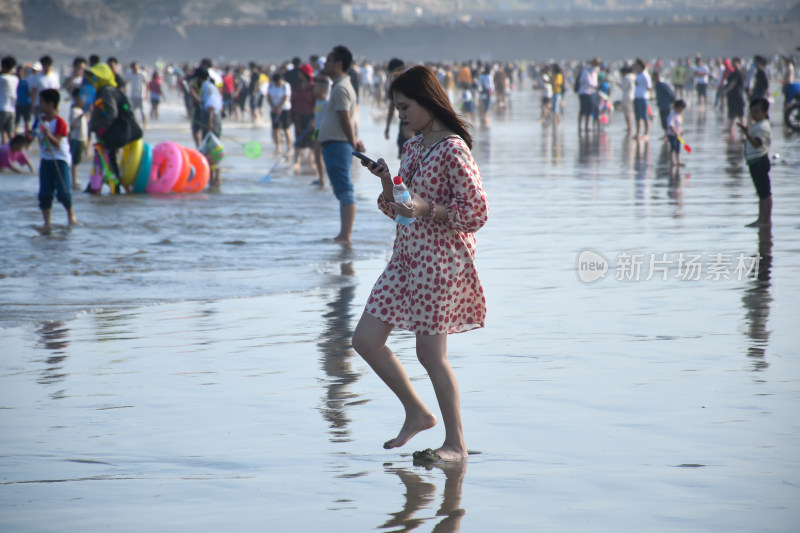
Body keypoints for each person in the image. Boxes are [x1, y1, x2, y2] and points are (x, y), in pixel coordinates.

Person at [352, 65, 488, 463]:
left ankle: (456, 445)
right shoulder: (413, 147)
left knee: (431, 355)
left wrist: (429, 208)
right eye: (396, 109)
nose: (401, 115)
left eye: (406, 106)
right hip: (405, 259)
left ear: (428, 101)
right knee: (365, 340)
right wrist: (384, 181)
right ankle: (416, 412)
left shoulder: (453, 149)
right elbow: (402, 210)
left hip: (440, 263)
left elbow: (477, 211)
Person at [317, 45, 365, 244]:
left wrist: (352, 141)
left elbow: (345, 118)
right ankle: (344, 233)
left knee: (345, 190)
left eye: (328, 60)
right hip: (335, 144)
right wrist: (353, 138)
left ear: (338, 64)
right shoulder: (340, 86)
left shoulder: (341, 87)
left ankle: (346, 235)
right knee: (342, 190)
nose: (325, 64)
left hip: (338, 145)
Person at [34, 89, 77, 229]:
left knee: (63, 193)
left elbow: (57, 142)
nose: (39, 105)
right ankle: (47, 223)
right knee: (44, 194)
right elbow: (35, 136)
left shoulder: (60, 122)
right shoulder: (40, 121)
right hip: (46, 160)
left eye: (41, 102)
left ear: (51, 104)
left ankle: (71, 216)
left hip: (60, 160)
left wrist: (48, 134)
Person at [737, 98, 772, 228]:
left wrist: (746, 133)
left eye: (757, 112)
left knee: (764, 193)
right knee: (761, 192)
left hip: (759, 161)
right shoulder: (758, 125)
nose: (754, 115)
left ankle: (765, 220)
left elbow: (757, 144)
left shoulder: (762, 127)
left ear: (765, 112)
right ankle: (761, 218)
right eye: (752, 112)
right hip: (755, 161)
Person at [196, 67, 223, 187]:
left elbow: (211, 104)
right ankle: (212, 177)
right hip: (209, 118)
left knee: (213, 149)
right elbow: (203, 103)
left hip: (211, 119)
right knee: (209, 149)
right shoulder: (206, 86)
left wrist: (210, 122)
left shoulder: (208, 86)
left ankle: (216, 178)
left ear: (200, 78)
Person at [290, 64, 315, 172]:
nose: (299, 74)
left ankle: (312, 161)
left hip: (310, 117)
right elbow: (293, 102)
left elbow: (316, 103)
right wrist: (291, 116)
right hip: (298, 117)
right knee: (298, 141)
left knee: (312, 141)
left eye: (301, 72)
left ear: (305, 74)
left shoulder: (312, 87)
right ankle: (296, 162)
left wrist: (315, 119)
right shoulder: (296, 86)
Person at [311, 74, 330, 187]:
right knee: (316, 155)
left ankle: (324, 178)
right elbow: (317, 116)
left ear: (323, 89)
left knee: (324, 156)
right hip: (316, 131)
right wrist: (312, 122)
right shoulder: (317, 102)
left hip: (323, 132)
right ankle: (321, 178)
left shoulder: (326, 103)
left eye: (316, 87)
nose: (313, 89)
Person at [68, 88, 89, 188]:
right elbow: (72, 126)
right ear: (75, 98)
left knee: (78, 160)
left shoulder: (81, 111)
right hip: (76, 139)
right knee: (75, 160)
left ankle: (75, 179)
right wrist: (79, 117)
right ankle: (74, 180)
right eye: (81, 98)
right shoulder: (74, 110)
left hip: (82, 139)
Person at [268, 72, 292, 153]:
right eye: (277, 82)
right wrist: (274, 107)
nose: (279, 83)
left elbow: (286, 97)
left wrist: (278, 107)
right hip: (274, 110)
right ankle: (278, 146)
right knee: (276, 128)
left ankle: (289, 146)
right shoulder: (271, 85)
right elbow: (268, 97)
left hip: (284, 109)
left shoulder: (285, 85)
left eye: (280, 81)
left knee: (286, 128)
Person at [724, 57, 746, 138]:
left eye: (735, 64)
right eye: (733, 64)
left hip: (737, 95)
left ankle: (743, 129)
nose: (734, 65)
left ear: (739, 64)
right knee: (732, 113)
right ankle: (729, 128)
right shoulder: (734, 73)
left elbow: (732, 84)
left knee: (740, 114)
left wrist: (725, 92)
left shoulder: (738, 73)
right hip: (733, 96)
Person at [577, 58, 599, 134]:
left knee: (589, 111)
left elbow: (595, 83)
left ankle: (587, 127)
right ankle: (580, 127)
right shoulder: (586, 72)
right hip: (584, 93)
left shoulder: (595, 72)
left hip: (591, 93)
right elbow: (589, 82)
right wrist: (597, 86)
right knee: (583, 110)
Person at [0, 55, 18, 144]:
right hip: (12, 110)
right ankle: (15, 151)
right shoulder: (15, 79)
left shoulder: (3, 79)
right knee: (9, 134)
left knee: (3, 132)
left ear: (4, 67)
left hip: (2, 109)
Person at [633, 58, 652, 140]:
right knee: (637, 117)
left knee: (645, 116)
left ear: (641, 66)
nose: (635, 67)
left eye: (637, 66)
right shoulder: (638, 75)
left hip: (643, 98)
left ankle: (646, 133)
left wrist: (648, 95)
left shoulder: (645, 75)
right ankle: (638, 133)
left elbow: (649, 87)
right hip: (637, 97)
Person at [126, 62, 148, 128]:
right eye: (134, 67)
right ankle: (135, 125)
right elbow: (125, 82)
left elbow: (146, 83)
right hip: (132, 95)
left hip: (141, 95)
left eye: (136, 67)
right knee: (133, 111)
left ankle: (145, 125)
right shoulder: (129, 74)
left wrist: (146, 94)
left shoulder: (142, 74)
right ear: (132, 68)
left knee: (143, 111)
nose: (135, 69)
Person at [666, 99, 686, 170]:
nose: (681, 111)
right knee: (673, 147)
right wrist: (675, 132)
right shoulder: (672, 115)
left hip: (678, 135)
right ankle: (672, 161)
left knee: (678, 148)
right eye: (680, 109)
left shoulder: (679, 116)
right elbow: (670, 125)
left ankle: (678, 161)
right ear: (676, 108)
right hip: (672, 135)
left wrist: (681, 130)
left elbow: (680, 125)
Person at [14, 65, 32, 134]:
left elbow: (30, 93)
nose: (19, 73)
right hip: (17, 104)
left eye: (21, 71)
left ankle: (28, 138)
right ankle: (14, 139)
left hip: (26, 104)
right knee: (16, 123)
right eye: (18, 71)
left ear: (23, 72)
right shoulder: (14, 81)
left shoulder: (26, 81)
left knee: (27, 122)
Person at [620, 65, 636, 135]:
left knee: (627, 113)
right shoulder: (634, 76)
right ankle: (631, 126)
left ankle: (629, 127)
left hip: (627, 96)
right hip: (634, 95)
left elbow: (623, 87)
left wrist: (618, 84)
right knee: (631, 112)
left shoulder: (627, 77)